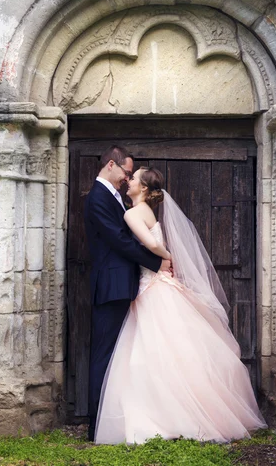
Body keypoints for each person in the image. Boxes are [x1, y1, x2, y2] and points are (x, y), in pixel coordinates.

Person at [95, 167, 267, 445]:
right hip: (157, 283)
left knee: (150, 353)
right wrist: (166, 257)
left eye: (134, 179)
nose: (129, 182)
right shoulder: (149, 212)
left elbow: (150, 243)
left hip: (152, 286)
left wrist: (165, 256)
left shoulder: (131, 213)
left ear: (144, 189)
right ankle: (175, 413)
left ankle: (163, 416)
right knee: (171, 350)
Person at [84, 147, 172, 442]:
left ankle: (120, 418)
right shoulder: (98, 198)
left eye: (130, 176)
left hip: (124, 285)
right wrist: (157, 263)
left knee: (119, 356)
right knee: (104, 354)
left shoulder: (115, 198)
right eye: (125, 172)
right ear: (112, 165)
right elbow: (120, 241)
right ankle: (97, 424)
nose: (126, 178)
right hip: (112, 286)